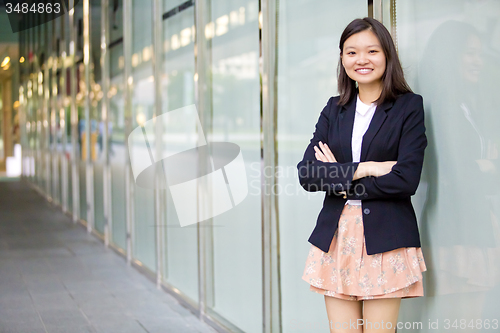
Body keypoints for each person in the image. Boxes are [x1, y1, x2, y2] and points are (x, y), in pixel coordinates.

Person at [297, 17, 427, 332]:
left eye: (372, 51)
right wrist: (364, 168)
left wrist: (339, 179)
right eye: (351, 52)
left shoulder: (408, 107)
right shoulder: (334, 109)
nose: (362, 60)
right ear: (342, 59)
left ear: (387, 56)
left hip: (386, 238)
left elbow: (405, 179)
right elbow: (308, 175)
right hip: (336, 237)